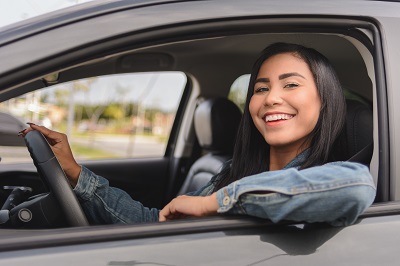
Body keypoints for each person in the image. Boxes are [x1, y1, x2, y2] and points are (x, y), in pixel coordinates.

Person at [20, 43, 376, 226]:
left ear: (326, 100)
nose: (272, 99)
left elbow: (355, 187)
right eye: (261, 88)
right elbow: (153, 224)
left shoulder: (321, 178)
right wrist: (76, 173)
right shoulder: (234, 170)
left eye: (291, 85)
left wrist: (215, 203)